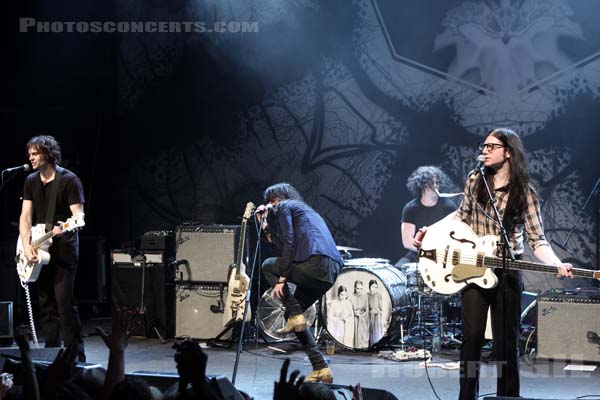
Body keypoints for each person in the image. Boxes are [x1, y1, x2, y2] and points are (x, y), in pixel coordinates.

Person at [415, 128, 573, 400]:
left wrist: (557, 264)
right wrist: (430, 232)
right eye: (483, 146)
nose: (484, 150)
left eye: (491, 146)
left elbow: (537, 240)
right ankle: (467, 397)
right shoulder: (475, 180)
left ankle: (507, 397)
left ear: (508, 151)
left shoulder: (525, 193)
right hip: (473, 267)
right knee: (472, 337)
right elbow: (460, 217)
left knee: (505, 343)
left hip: (508, 270)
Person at [258, 183, 343, 383]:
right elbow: (286, 246)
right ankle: (320, 367)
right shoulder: (305, 212)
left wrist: (281, 279)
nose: (270, 205)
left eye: (272, 201)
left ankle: (295, 312)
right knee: (292, 316)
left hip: (316, 264)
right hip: (330, 270)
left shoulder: (285, 206)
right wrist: (264, 226)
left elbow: (288, 242)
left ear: (280, 198)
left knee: (268, 265)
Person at [18, 135, 86, 361]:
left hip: (63, 249)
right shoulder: (30, 181)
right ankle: (50, 355)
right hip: (38, 247)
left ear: (47, 153)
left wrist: (64, 228)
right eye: (30, 154)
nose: (31, 158)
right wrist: (27, 246)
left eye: (35, 153)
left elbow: (78, 218)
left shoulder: (69, 180)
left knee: (64, 303)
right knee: (46, 305)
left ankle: (76, 356)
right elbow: (25, 217)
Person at [394, 166, 457, 269]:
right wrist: (427, 252)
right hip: (417, 254)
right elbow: (407, 242)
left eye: (437, 183)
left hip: (442, 256)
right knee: (397, 270)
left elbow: (455, 236)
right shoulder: (410, 208)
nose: (435, 186)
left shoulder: (449, 206)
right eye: (430, 183)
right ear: (421, 185)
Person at [350, 280, 369, 349]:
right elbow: (349, 308)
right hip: (354, 317)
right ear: (355, 288)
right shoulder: (351, 296)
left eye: (361, 288)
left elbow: (366, 308)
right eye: (358, 288)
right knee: (355, 333)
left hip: (363, 318)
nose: (359, 290)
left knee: (363, 333)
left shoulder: (365, 296)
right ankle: (355, 347)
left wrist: (362, 314)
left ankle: (363, 347)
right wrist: (354, 313)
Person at [366, 280, 384, 345]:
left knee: (377, 332)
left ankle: (376, 344)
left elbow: (380, 307)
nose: (374, 288)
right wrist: (370, 311)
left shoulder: (379, 295)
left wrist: (378, 311)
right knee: (370, 331)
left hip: (377, 316)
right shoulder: (367, 295)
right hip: (369, 316)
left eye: (376, 287)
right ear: (370, 287)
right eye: (373, 287)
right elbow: (365, 307)